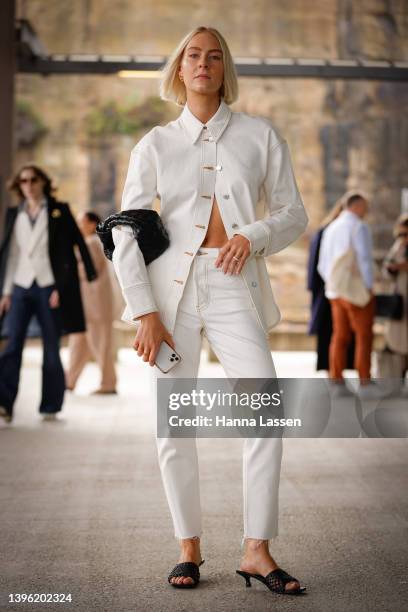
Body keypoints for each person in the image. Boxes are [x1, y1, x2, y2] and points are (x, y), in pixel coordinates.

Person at [111, 26, 308, 594]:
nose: (203, 63)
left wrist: (254, 233)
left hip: (233, 284)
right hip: (169, 296)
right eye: (193, 56)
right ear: (178, 69)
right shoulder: (154, 144)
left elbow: (294, 213)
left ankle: (256, 550)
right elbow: (126, 232)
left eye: (214, 56)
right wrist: (144, 311)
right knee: (175, 423)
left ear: (225, 70)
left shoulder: (260, 136)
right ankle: (188, 548)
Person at [0, 164, 97, 423]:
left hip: (48, 287)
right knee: (12, 345)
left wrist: (63, 287)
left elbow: (74, 246)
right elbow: (12, 255)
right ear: (18, 186)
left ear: (43, 182)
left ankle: (51, 404)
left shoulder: (59, 210)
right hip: (20, 286)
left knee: (51, 348)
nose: (28, 185)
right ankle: (4, 403)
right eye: (23, 181)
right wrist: (6, 292)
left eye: (33, 180)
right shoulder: (14, 213)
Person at [317, 192, 383, 399]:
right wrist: (369, 286)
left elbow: (323, 262)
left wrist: (333, 284)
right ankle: (364, 380)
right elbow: (363, 258)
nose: (366, 211)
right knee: (364, 335)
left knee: (339, 335)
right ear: (356, 206)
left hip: (335, 290)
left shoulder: (331, 227)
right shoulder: (358, 226)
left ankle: (337, 379)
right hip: (356, 289)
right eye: (364, 206)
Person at [65, 211, 117, 394]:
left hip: (96, 306)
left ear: (91, 224)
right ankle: (68, 381)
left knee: (100, 344)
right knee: (78, 343)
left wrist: (65, 269)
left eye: (81, 222)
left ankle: (108, 384)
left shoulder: (93, 242)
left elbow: (89, 270)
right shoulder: (89, 243)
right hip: (85, 304)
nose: (78, 226)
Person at [307, 197, 355, 371]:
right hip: (329, 288)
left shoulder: (328, 230)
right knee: (331, 330)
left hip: (331, 287)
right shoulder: (328, 231)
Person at [381, 214, 408, 380]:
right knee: (398, 341)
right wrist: (394, 268)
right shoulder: (398, 247)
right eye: (402, 234)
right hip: (401, 299)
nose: (404, 238)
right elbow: (386, 268)